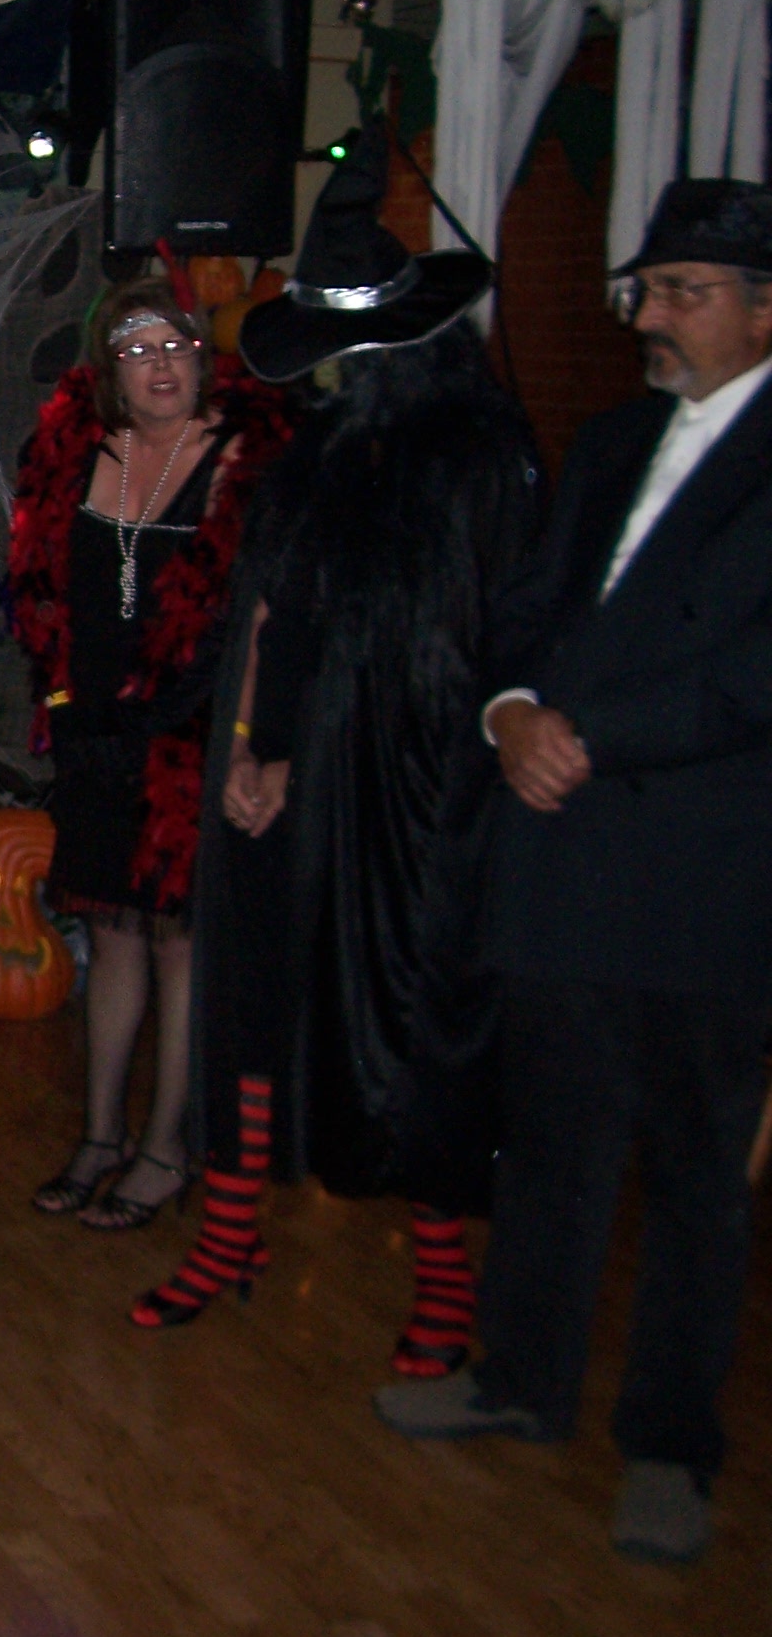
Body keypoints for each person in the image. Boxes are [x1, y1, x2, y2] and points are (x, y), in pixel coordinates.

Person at [377, 179, 772, 1567]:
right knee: (548, 1145)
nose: (650, 316)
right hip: (559, 851)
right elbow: (524, 609)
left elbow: (752, 676)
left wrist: (588, 736)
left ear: (764, 312)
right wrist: (509, 715)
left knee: (696, 1179)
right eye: (645, 291)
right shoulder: (609, 440)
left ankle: (668, 1448)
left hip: (703, 875)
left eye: (683, 294)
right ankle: (521, 1380)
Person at [138, 130, 539, 1377]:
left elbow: (488, 652)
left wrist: (335, 769)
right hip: (278, 784)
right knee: (249, 1002)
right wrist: (247, 749)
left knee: (405, 1026)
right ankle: (229, 1235)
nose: (328, 378)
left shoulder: (480, 465)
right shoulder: (312, 460)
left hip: (414, 807)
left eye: (347, 356)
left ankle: (443, 1285)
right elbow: (268, 619)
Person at [4, 278, 288, 1231]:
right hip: (95, 733)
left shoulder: (244, 459)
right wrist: (66, 707)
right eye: (136, 349)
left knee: (177, 940)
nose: (159, 365)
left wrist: (243, 739)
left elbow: (262, 621)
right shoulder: (77, 453)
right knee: (111, 931)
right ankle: (99, 1136)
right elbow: (44, 594)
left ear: (203, 358)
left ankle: (166, 1149)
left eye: (175, 346)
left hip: (193, 731)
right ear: (108, 369)